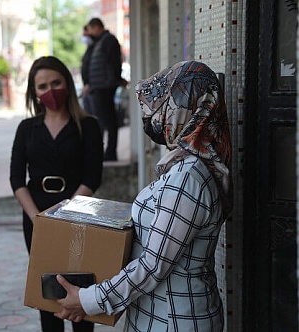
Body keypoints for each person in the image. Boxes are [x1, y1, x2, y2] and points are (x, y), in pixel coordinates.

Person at [55, 61, 232, 332]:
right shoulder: (183, 166)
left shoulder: (187, 177)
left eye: (166, 107)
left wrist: (89, 300)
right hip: (157, 315)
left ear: (187, 111)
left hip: (176, 320)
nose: (157, 118)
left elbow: (153, 265)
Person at [9, 56, 103, 332]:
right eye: (42, 86)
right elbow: (17, 180)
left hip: (79, 214)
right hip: (37, 217)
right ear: (34, 93)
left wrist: (65, 213)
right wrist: (37, 217)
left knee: (81, 291)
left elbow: (92, 177)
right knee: (47, 294)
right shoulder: (27, 129)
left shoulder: (89, 126)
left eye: (56, 82)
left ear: (68, 84)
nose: (50, 90)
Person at [86, 17, 122, 161]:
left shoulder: (108, 40)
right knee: (103, 120)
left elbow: (114, 63)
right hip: (101, 85)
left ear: (96, 27)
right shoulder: (101, 41)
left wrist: (116, 79)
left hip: (105, 86)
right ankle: (105, 152)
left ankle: (110, 152)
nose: (89, 33)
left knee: (107, 120)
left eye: (90, 30)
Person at [80, 24, 95, 116]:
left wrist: (89, 83)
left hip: (91, 86)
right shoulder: (90, 48)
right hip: (89, 86)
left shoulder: (94, 48)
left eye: (86, 35)